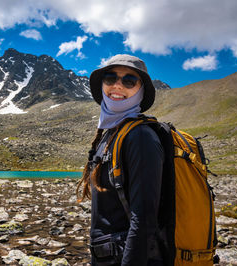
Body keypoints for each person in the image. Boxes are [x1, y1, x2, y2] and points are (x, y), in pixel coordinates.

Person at [77, 54, 164, 266]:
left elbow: (143, 221)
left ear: (141, 90)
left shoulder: (140, 137)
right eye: (110, 78)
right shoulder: (111, 133)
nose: (117, 85)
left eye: (129, 81)